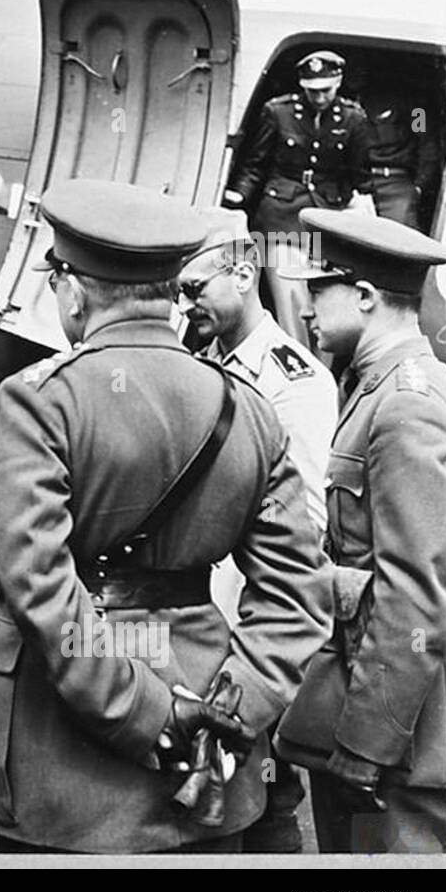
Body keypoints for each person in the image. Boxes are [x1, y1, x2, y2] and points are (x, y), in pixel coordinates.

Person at [0, 179, 332, 854]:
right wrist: (228, 716)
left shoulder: (40, 401)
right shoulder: (245, 406)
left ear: (73, 290)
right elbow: (297, 596)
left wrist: (153, 717)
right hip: (209, 773)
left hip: (64, 768)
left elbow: (42, 590)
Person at [276, 209, 446, 853]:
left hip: (401, 739)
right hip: (372, 706)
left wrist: (366, 743)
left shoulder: (405, 403)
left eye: (319, 290)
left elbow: (418, 591)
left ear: (366, 298)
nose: (307, 306)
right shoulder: (377, 389)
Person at [176, 207, 336, 853]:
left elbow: (303, 533)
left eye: (196, 289)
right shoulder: (201, 361)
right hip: (202, 627)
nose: (186, 306)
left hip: (250, 635)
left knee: (265, 800)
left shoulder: (292, 383)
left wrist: (253, 652)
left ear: (243, 273)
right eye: (179, 292)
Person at [224, 50, 374, 333]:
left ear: (339, 82)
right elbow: (255, 165)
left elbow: (360, 176)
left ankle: (323, 367)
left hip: (327, 220)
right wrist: (237, 199)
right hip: (281, 217)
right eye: (312, 91)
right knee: (291, 297)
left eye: (325, 90)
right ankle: (297, 359)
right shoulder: (278, 111)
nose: (319, 98)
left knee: (326, 299)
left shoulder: (353, 119)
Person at [359, 77, 440, 231]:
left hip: (396, 184)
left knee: (400, 241)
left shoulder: (414, 106)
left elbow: (427, 145)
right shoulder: (345, 103)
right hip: (358, 185)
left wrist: (419, 186)